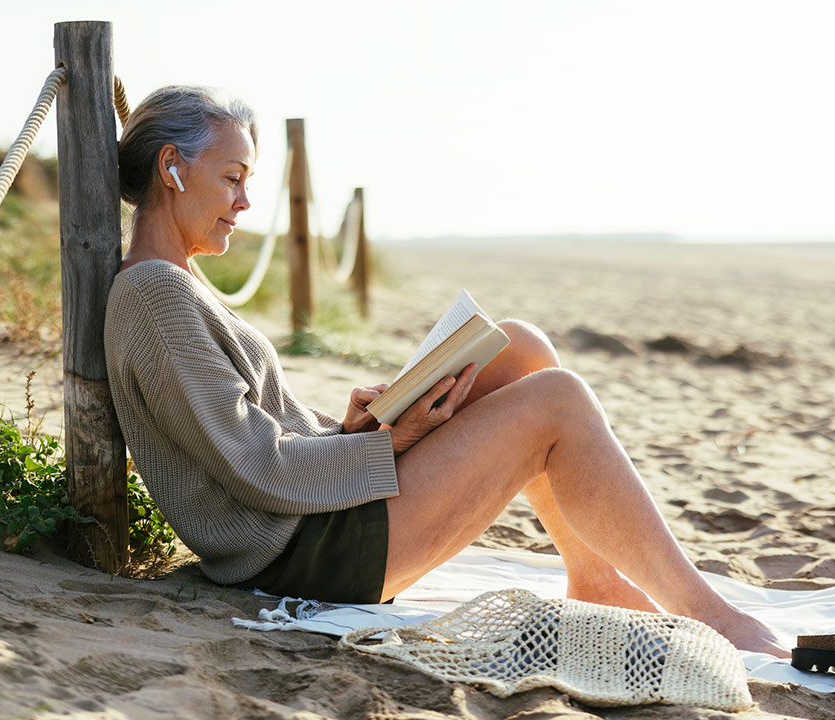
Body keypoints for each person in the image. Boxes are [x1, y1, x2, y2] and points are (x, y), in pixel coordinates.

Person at [104, 86, 788, 656]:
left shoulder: (175, 284)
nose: (245, 203)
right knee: (556, 400)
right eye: (233, 178)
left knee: (516, 346)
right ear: (173, 169)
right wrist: (380, 446)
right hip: (303, 556)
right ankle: (712, 618)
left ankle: (594, 576)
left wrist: (347, 429)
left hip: (311, 525)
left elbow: (250, 436)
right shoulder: (156, 294)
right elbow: (255, 469)